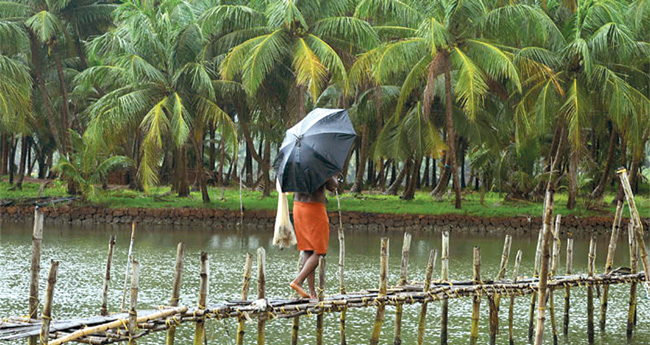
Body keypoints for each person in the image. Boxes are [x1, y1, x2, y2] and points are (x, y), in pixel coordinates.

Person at [289, 176, 338, 299]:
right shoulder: (320, 166)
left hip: (298, 207)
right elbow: (332, 186)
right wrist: (335, 175)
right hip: (314, 208)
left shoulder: (298, 165)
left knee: (308, 249)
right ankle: (298, 281)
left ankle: (312, 293)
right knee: (321, 251)